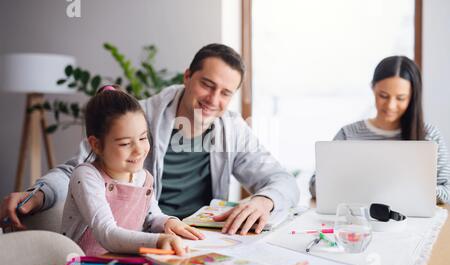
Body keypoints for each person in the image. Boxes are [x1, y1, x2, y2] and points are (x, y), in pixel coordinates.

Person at [0, 43, 299, 236]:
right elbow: (77, 170)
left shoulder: (232, 129)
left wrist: (263, 200)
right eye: (207, 85)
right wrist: (39, 193)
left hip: (198, 240)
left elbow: (281, 179)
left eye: (225, 93)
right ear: (187, 77)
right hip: (142, 236)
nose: (213, 100)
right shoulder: (140, 118)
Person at [62, 85, 203, 256]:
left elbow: (152, 217)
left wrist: (169, 222)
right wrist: (157, 240)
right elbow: (106, 233)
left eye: (143, 138)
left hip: (125, 263)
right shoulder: (87, 176)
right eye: (125, 143)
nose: (139, 150)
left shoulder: (143, 177)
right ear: (96, 145)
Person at [309, 56, 449, 204]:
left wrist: (403, 190)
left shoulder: (430, 135)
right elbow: (315, 186)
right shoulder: (348, 135)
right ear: (372, 88)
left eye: (400, 98)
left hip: (415, 223)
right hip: (359, 222)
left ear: (413, 96)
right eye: (383, 96)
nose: (390, 106)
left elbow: (447, 190)